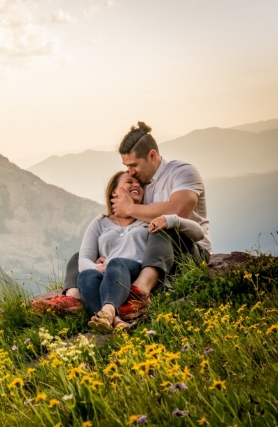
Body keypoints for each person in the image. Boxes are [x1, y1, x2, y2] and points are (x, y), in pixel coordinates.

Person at [38, 122, 212, 319]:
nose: (130, 172)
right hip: (155, 255)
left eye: (134, 165)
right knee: (81, 257)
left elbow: (178, 211)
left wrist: (129, 207)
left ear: (152, 155)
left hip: (187, 250)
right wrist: (102, 259)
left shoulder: (182, 172)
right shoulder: (141, 187)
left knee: (162, 226)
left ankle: (140, 292)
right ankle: (75, 299)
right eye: (126, 167)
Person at [77, 171, 204, 332]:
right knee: (86, 276)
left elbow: (198, 233)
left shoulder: (148, 216)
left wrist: (170, 220)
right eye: (129, 182)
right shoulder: (100, 222)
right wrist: (96, 268)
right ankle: (115, 321)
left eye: (139, 184)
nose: (136, 185)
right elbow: (83, 260)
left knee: (116, 263)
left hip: (137, 270)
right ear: (114, 192)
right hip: (110, 276)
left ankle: (108, 310)